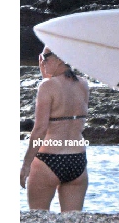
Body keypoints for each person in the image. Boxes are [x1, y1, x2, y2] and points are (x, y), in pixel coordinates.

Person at [20, 48, 90, 212]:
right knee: (73, 222)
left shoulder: (47, 86)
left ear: (60, 58)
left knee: (38, 220)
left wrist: (26, 164)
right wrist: (48, 78)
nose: (42, 61)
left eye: (45, 57)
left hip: (48, 160)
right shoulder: (83, 84)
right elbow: (67, 104)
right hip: (77, 161)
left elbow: (40, 129)